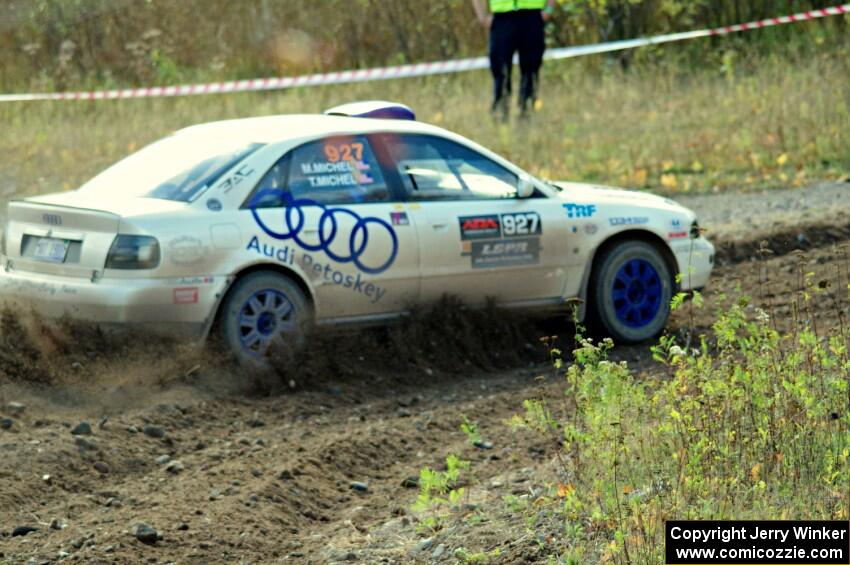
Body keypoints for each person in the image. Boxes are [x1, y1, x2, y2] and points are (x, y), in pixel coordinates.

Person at [471, 0, 555, 117]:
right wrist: (482, 17)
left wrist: (549, 9)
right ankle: (500, 113)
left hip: (532, 16)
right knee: (500, 70)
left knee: (531, 68)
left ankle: (527, 112)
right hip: (502, 18)